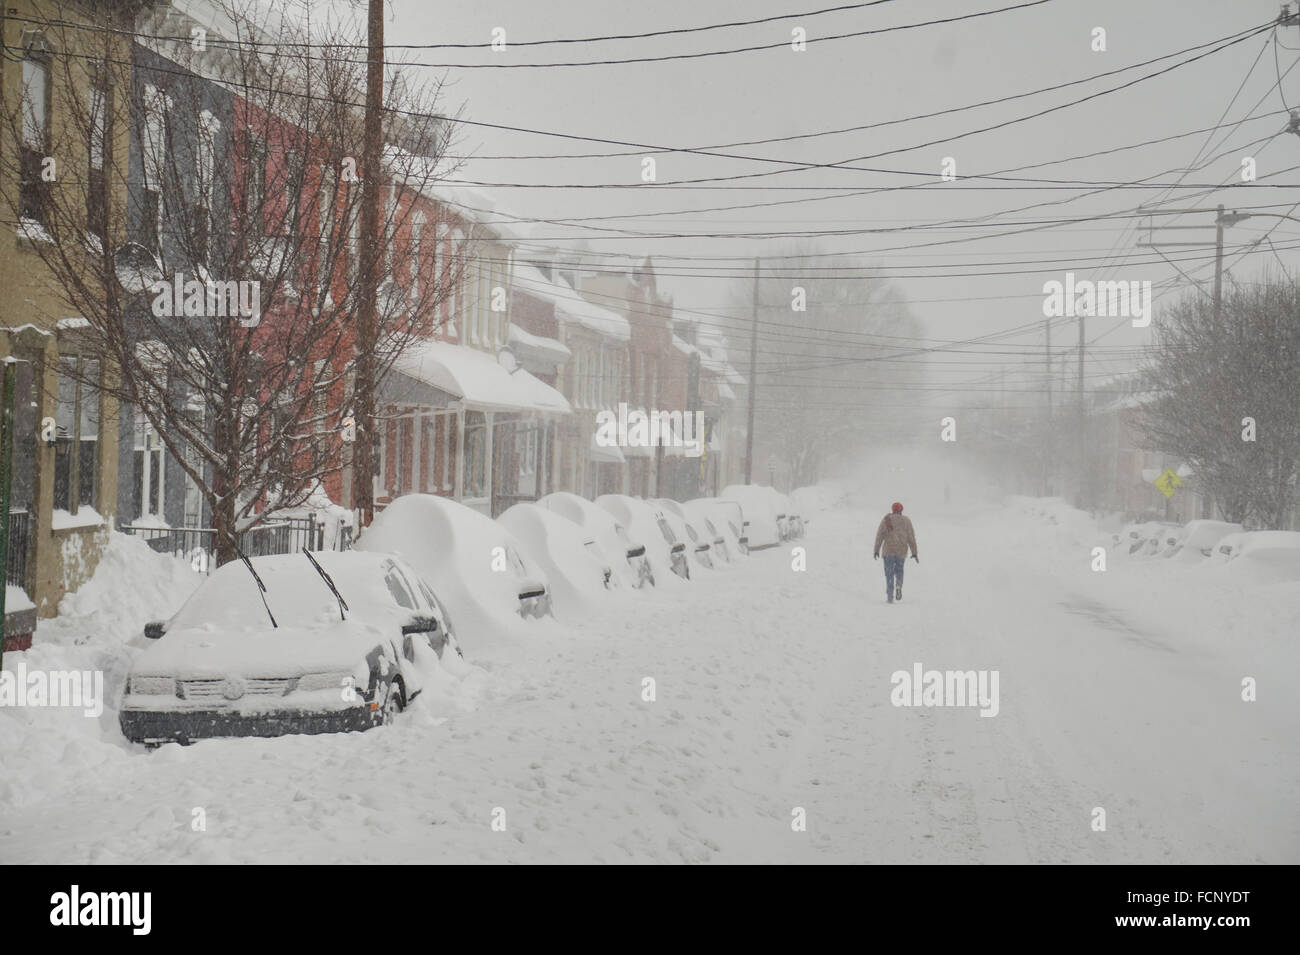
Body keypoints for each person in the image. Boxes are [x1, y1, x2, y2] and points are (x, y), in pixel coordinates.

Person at [873, 502, 918, 603]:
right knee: (899, 570)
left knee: (889, 573)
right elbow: (911, 537)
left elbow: (879, 535)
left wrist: (876, 550)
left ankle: (890, 595)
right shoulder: (906, 521)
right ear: (901, 510)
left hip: (889, 550)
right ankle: (898, 585)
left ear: (892, 509)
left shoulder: (887, 519)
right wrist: (914, 552)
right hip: (901, 550)